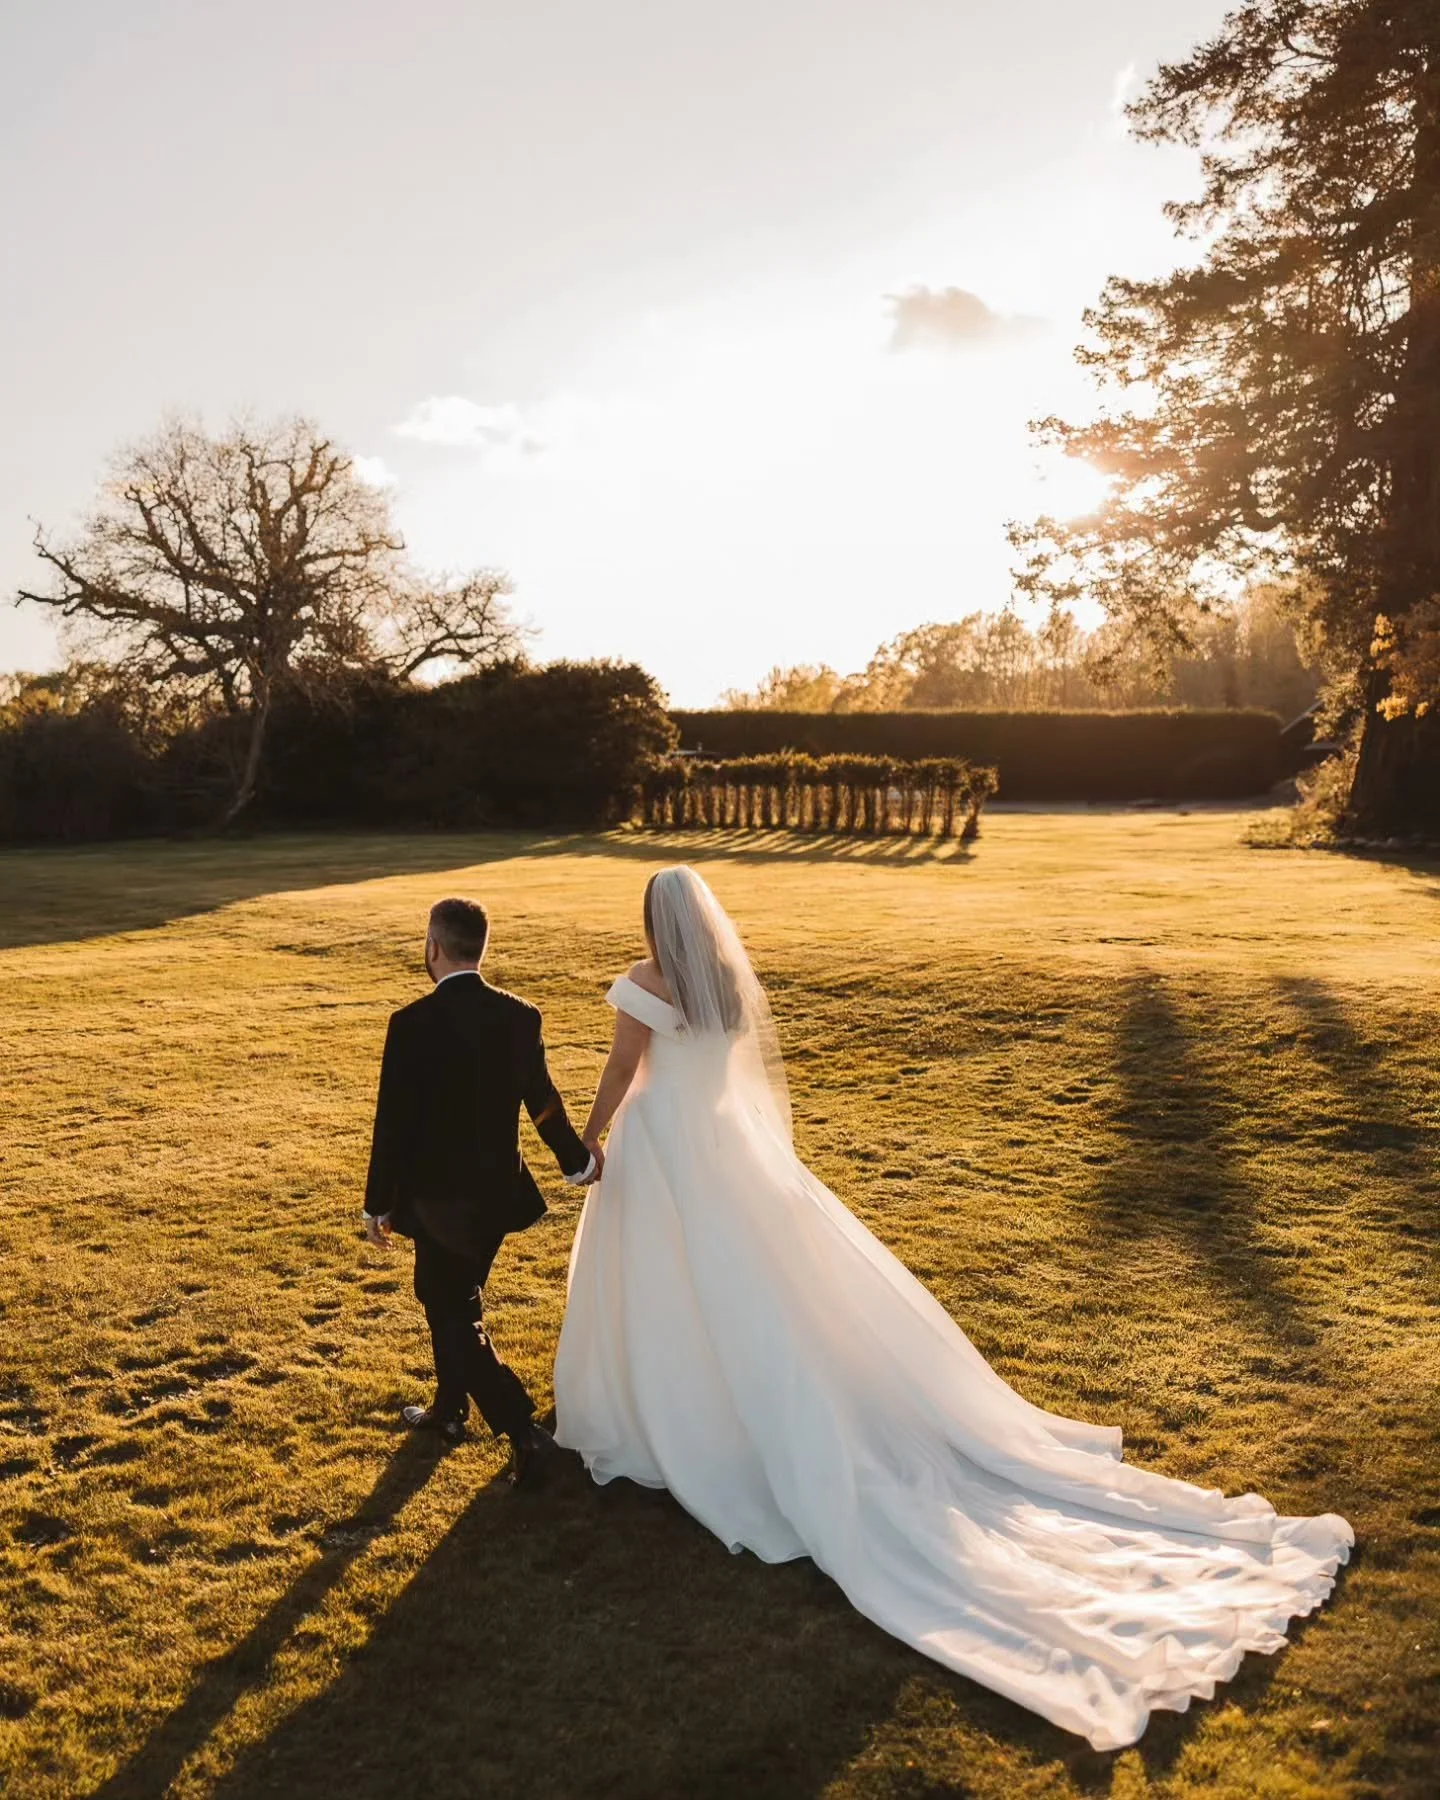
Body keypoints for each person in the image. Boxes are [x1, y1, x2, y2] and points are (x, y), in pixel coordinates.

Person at [554, 865, 1353, 1751]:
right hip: (728, 1152)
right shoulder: (726, 986)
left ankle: (680, 1420)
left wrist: (587, 1142)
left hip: (667, 1152)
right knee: (764, 1299)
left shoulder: (647, 983)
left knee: (676, 1292)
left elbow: (625, 1069)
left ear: (651, 920)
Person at [364, 896, 598, 1484]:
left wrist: (377, 1204)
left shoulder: (411, 1023)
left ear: (434, 947)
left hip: (436, 1202)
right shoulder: (520, 1015)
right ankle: (448, 1412)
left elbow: (391, 1122)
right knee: (453, 1299)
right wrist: (575, 1163)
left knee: (449, 1310)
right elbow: (542, 1101)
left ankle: (523, 1433)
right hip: (496, 1196)